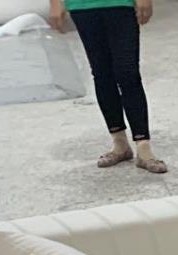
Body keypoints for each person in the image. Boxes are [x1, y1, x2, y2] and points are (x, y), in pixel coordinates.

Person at [66, 0, 167, 174]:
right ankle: (120, 143)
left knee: (128, 72)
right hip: (81, 5)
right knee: (102, 74)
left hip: (120, 4)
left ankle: (143, 147)